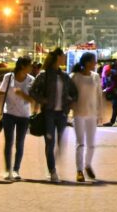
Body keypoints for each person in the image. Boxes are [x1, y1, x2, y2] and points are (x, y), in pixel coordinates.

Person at [30, 48, 77, 182]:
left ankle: (51, 166)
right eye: (63, 56)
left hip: (61, 114)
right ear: (57, 57)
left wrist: (68, 104)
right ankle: (52, 171)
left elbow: (75, 93)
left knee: (60, 144)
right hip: (48, 114)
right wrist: (43, 100)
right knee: (50, 143)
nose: (65, 58)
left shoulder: (64, 76)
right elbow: (32, 91)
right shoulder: (44, 75)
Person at [0, 56, 36, 181]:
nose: (31, 67)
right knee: (9, 142)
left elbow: (31, 99)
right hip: (9, 114)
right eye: (30, 65)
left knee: (20, 143)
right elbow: (1, 91)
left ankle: (16, 170)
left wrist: (22, 94)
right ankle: (7, 170)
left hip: (24, 115)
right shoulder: (8, 77)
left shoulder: (31, 80)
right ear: (23, 66)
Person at [70, 52, 102, 182]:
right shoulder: (74, 77)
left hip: (92, 114)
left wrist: (99, 113)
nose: (95, 64)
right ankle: (79, 170)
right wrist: (71, 109)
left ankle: (88, 165)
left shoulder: (96, 77)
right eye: (94, 61)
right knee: (80, 143)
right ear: (87, 62)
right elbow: (70, 95)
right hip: (78, 113)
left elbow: (99, 95)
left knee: (91, 144)